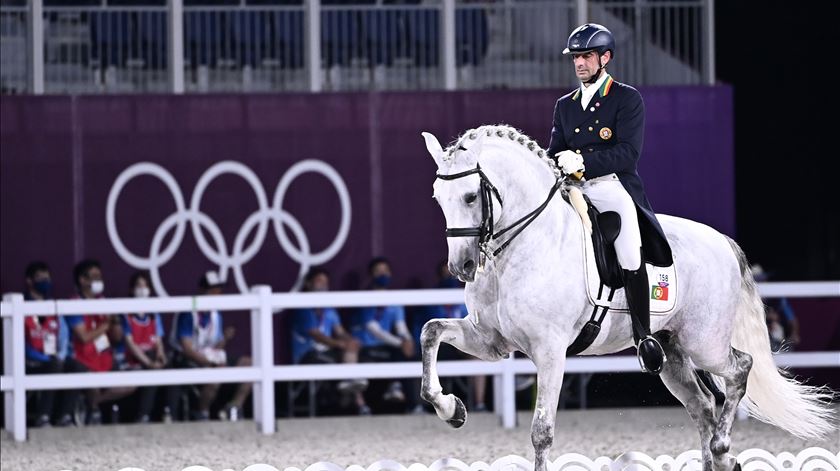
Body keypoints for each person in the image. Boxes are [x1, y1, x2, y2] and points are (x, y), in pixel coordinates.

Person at [547, 23, 673, 375]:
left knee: (630, 247)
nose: (579, 63)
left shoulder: (626, 98)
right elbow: (555, 149)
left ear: (604, 58)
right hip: (573, 187)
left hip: (612, 185)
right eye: (576, 57)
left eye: (586, 56)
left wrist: (584, 161)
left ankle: (644, 334)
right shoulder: (565, 105)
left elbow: (628, 154)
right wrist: (556, 161)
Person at [168, 271, 252, 421]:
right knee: (216, 373)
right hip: (187, 360)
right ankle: (202, 413)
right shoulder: (188, 313)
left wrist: (225, 339)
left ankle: (234, 406)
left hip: (208, 357)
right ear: (202, 290)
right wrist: (208, 363)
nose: (217, 294)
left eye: (219, 290)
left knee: (249, 363)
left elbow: (216, 348)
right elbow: (186, 349)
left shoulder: (215, 315)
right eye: (213, 290)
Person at [65, 259, 136, 424]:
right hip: (81, 358)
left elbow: (117, 337)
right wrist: (106, 325)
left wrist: (115, 321)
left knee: (132, 384)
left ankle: (94, 403)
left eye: (100, 277)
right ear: (83, 280)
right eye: (94, 277)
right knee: (92, 384)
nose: (99, 281)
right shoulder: (73, 304)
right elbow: (83, 337)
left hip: (104, 357)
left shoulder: (104, 302)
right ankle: (92, 410)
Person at [291, 267, 370, 414]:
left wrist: (350, 340)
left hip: (327, 352)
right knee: (346, 359)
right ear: (308, 284)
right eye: (319, 281)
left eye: (326, 282)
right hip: (308, 355)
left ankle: (356, 397)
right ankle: (354, 395)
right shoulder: (303, 307)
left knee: (351, 350)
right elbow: (315, 334)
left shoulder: (329, 308)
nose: (323, 285)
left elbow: (340, 331)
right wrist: (338, 344)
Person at [355, 257, 417, 411]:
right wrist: (400, 343)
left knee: (411, 353)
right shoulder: (364, 298)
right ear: (372, 276)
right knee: (400, 350)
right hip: (367, 347)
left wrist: (407, 340)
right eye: (378, 271)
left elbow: (400, 326)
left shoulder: (394, 299)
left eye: (385, 271)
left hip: (388, 346)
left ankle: (413, 404)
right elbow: (373, 329)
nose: (383, 274)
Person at [22, 261, 76, 427]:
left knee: (76, 367)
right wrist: (45, 358)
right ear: (29, 281)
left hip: (52, 358)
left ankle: (65, 416)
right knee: (54, 365)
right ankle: (43, 417)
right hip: (30, 361)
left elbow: (64, 337)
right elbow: (20, 346)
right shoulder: (21, 307)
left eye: (47, 277)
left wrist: (59, 356)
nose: (45, 280)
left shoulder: (54, 307)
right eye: (40, 277)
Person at [119, 271, 167, 422]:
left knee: (169, 365)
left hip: (151, 357)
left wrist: (161, 356)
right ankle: (143, 416)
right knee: (152, 370)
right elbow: (130, 343)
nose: (142, 289)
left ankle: (169, 413)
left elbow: (158, 341)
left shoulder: (153, 314)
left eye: (145, 286)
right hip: (131, 359)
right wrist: (149, 362)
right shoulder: (126, 314)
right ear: (132, 290)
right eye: (139, 286)